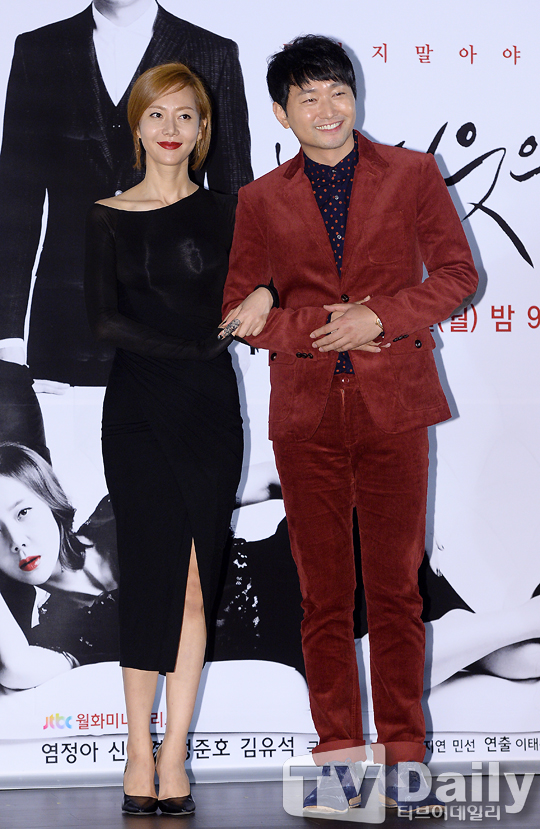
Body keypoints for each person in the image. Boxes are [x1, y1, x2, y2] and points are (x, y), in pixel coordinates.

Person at [222, 35, 478, 816]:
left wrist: (381, 315)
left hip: (396, 408)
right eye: (308, 96)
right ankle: (340, 771)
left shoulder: (413, 173)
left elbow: (459, 275)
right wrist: (314, 326)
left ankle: (406, 765)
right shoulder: (259, 200)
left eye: (338, 90)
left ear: (354, 95)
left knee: (398, 593)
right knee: (323, 599)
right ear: (282, 112)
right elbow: (239, 311)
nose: (328, 108)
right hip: (306, 420)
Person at [84, 62, 272, 816]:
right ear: (137, 125)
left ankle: (174, 752)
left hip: (209, 412)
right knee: (149, 578)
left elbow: (281, 274)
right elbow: (103, 322)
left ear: (203, 129)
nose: (171, 128)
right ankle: (137, 749)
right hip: (137, 410)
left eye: (185, 115)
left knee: (197, 582)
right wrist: (197, 347)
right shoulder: (105, 213)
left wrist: (267, 292)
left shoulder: (232, 210)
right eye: (156, 114)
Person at [0, 0, 252, 457]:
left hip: (183, 316)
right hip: (66, 323)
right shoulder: (38, 48)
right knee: (72, 480)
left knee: (182, 471)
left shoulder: (212, 51)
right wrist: (7, 334)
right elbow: (15, 202)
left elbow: (236, 198)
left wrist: (242, 310)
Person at [0, 443, 118, 692]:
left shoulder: (118, 513)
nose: (17, 541)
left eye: (23, 512)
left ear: (49, 500)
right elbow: (15, 667)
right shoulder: (57, 632)